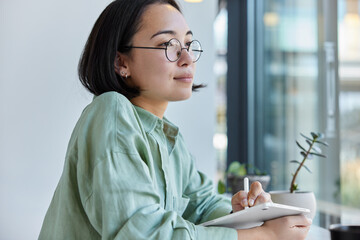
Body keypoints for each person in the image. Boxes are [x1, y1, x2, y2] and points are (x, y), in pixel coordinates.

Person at [39, 0, 312, 239]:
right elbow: (144, 233)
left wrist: (239, 211)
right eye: (167, 45)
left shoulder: (169, 137)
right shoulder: (110, 112)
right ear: (121, 63)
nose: (187, 58)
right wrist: (261, 236)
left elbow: (201, 205)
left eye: (189, 44)